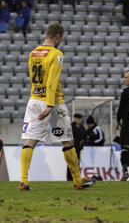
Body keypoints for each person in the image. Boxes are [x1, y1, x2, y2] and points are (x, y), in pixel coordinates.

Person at [20, 23, 95, 191]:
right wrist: (50, 104)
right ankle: (78, 180)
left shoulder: (33, 53)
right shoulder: (57, 54)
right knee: (68, 141)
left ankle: (24, 181)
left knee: (30, 140)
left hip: (33, 100)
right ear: (58, 36)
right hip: (52, 102)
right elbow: (52, 81)